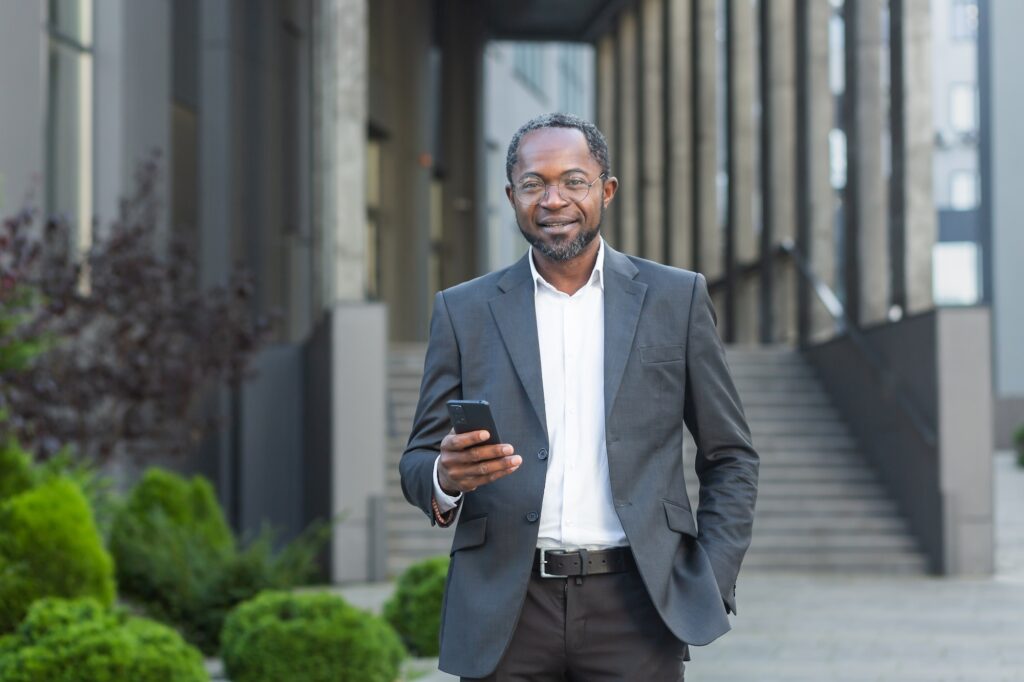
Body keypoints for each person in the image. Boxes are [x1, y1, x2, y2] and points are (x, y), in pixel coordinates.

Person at [400, 112, 758, 681]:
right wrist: (445, 476)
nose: (553, 199)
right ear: (511, 196)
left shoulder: (675, 298)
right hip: (507, 611)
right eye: (534, 183)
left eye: (573, 180)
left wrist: (708, 578)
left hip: (639, 606)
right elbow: (417, 463)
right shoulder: (463, 310)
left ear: (606, 190)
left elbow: (731, 457)